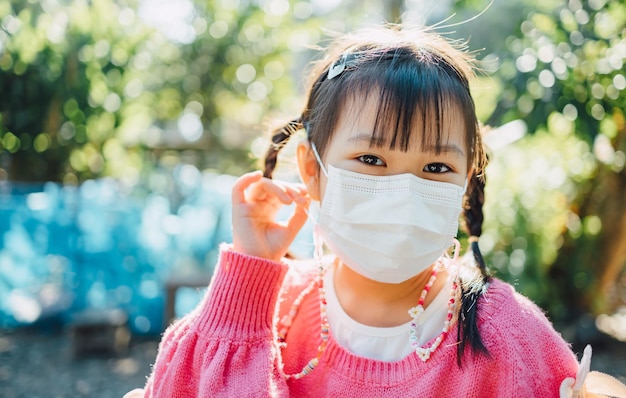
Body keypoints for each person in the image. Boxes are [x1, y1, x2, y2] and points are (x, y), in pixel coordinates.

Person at [128, 26, 584, 397]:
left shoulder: (508, 338)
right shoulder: (274, 313)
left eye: (436, 166)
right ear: (311, 167)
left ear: (467, 182)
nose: (405, 191)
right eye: (371, 160)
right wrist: (248, 280)